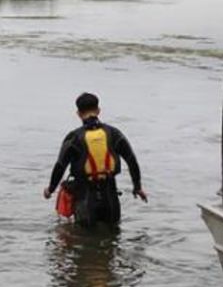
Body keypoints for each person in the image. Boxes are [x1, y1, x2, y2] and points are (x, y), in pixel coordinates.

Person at [43, 92, 146, 226]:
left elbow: (60, 166)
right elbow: (131, 160)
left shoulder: (74, 138)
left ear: (78, 113)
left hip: (85, 199)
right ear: (98, 110)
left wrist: (50, 189)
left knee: (85, 240)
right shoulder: (114, 134)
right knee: (112, 237)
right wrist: (137, 187)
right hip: (110, 197)